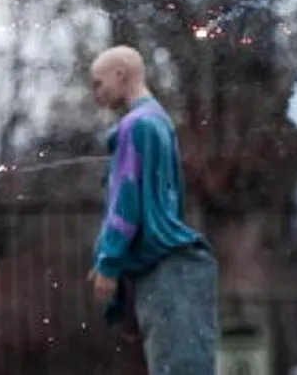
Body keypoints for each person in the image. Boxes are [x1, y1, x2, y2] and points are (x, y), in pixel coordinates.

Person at [87, 45, 219, 374]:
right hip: (177, 266)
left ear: (120, 74)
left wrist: (109, 261)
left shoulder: (137, 126)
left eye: (98, 83)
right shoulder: (159, 121)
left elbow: (127, 201)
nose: (96, 94)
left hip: (166, 270)